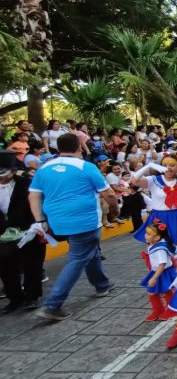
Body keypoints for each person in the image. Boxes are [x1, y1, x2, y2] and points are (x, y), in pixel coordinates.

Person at [30, 133, 119, 320]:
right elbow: (108, 193)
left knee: (89, 250)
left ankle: (102, 284)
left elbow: (34, 195)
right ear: (79, 146)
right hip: (84, 220)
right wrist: (114, 209)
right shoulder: (86, 166)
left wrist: (40, 219)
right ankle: (53, 304)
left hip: (57, 220)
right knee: (78, 258)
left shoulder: (44, 168)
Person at [0, 150, 45, 313]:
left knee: (31, 264)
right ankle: (14, 298)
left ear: (13, 170)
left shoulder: (27, 184)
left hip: (29, 229)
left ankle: (32, 296)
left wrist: (38, 224)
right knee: (6, 266)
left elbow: (39, 203)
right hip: (4, 233)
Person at [140, 220, 177, 321]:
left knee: (166, 291)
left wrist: (154, 278)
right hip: (157, 271)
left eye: (148, 234)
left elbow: (162, 264)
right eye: (146, 233)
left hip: (163, 272)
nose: (145, 235)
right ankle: (158, 310)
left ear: (156, 237)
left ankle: (171, 310)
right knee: (152, 292)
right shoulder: (155, 244)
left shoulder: (160, 249)